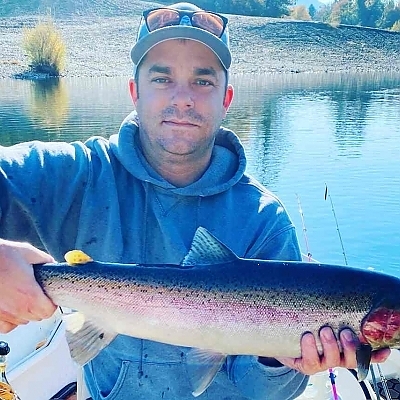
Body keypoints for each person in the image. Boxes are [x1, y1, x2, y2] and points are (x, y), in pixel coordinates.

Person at [0, 2, 390, 399]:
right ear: (135, 92)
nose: (183, 98)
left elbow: (263, 394)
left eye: (203, 81)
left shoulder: (264, 220)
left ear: (227, 99)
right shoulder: (73, 175)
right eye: (162, 78)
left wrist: (279, 359)